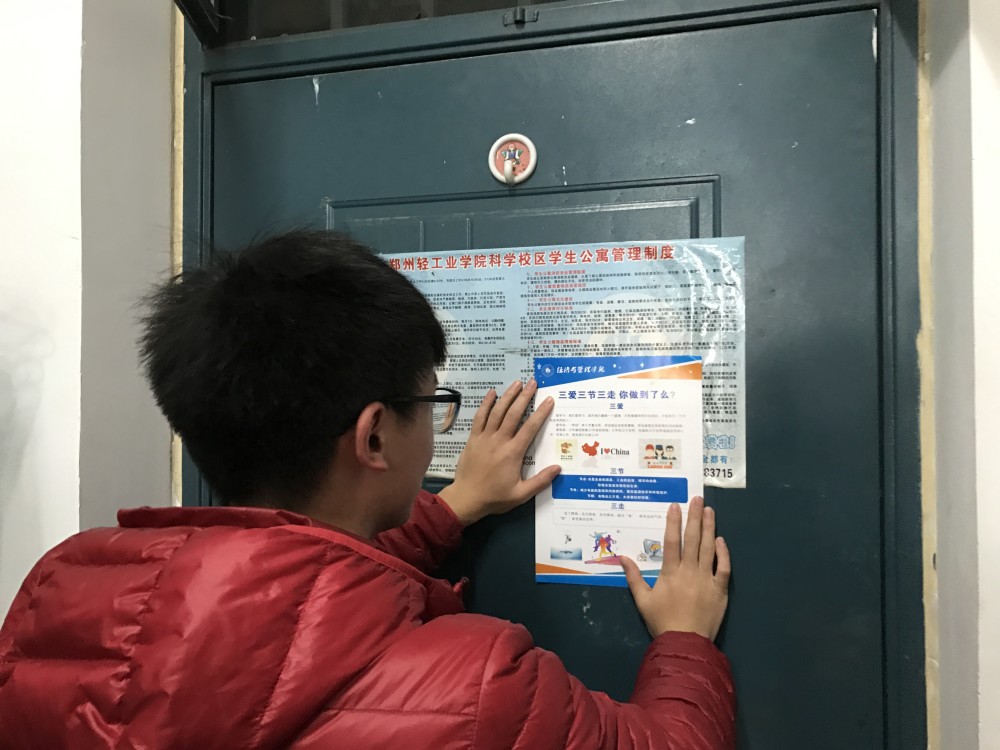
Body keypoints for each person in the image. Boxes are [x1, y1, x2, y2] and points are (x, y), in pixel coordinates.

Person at [0, 230, 734, 749]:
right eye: (431, 402)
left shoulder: (63, 598)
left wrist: (452, 508)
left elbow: (278, 615)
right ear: (374, 436)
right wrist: (685, 638)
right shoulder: (478, 690)